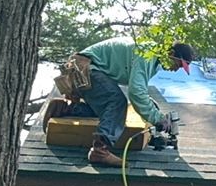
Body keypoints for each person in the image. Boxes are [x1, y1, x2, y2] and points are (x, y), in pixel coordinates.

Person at [74, 37, 196, 167]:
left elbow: (140, 90)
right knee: (116, 102)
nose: (176, 70)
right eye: (178, 65)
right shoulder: (147, 55)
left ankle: (71, 109)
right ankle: (99, 152)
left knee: (112, 111)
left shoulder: (152, 59)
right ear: (171, 55)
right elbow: (136, 92)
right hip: (85, 67)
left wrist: (154, 111)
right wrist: (158, 119)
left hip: (84, 68)